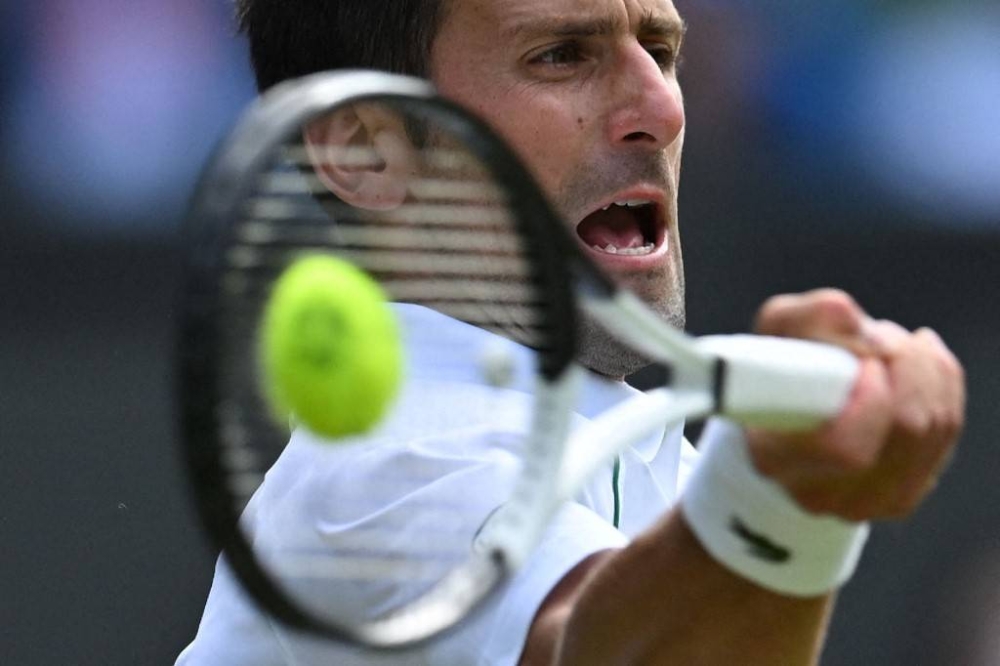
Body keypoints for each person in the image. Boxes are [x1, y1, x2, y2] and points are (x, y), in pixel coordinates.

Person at [177, 0, 966, 663]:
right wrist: (785, 503)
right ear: (363, 150)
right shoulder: (384, 465)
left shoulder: (657, 468)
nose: (661, 107)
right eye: (561, 56)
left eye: (660, 49)